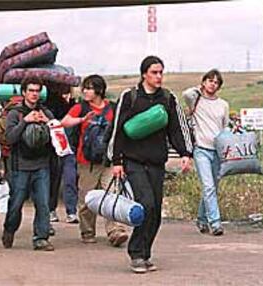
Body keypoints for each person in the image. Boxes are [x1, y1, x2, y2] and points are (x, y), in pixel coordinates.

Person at [109, 56, 192, 273]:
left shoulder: (168, 98)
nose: (158, 77)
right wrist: (116, 161)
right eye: (154, 72)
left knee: (155, 211)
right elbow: (117, 129)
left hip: (156, 162)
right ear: (144, 74)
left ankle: (145, 254)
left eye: (161, 72)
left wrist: (185, 152)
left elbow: (177, 128)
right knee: (146, 203)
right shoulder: (130, 96)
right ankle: (136, 253)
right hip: (133, 162)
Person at [61, 74, 129, 246]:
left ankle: (115, 231)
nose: (85, 91)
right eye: (84, 88)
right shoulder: (80, 108)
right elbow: (65, 122)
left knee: (112, 195)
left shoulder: (112, 108)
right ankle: (87, 231)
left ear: (99, 90)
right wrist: (82, 120)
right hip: (86, 161)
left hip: (108, 161)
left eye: (89, 88)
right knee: (87, 199)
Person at [1, 77, 55, 251]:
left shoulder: (46, 112)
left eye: (37, 91)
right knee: (16, 204)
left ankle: (41, 237)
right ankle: (9, 229)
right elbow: (9, 138)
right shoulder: (14, 113)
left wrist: (50, 124)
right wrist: (26, 121)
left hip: (42, 165)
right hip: (20, 167)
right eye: (31, 90)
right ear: (24, 92)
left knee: (43, 203)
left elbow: (59, 137)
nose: (34, 94)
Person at [182, 69, 229, 236]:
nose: (213, 84)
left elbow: (225, 127)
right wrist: (199, 89)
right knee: (208, 186)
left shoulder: (223, 104)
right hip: (201, 149)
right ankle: (215, 223)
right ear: (204, 82)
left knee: (212, 188)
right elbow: (186, 93)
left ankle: (201, 219)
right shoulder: (196, 100)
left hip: (217, 150)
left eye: (216, 82)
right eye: (210, 81)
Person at [45, 83, 79, 224]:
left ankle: (57, 210)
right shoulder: (67, 105)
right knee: (65, 180)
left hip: (61, 148)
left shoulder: (71, 105)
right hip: (62, 148)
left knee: (57, 180)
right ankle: (68, 211)